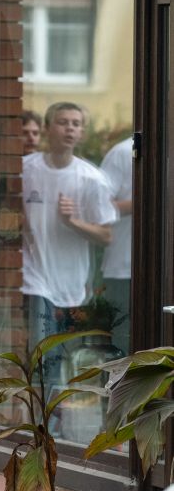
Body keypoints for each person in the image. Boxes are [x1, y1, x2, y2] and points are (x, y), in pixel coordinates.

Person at [20, 101, 116, 394]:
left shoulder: (91, 179)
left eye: (76, 124)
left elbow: (105, 235)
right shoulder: (26, 169)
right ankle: (42, 421)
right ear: (49, 128)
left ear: (82, 133)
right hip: (34, 278)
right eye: (63, 122)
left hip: (72, 285)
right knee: (43, 353)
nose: (70, 128)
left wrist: (72, 221)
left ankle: (57, 417)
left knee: (63, 357)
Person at [100, 135, 134, 354]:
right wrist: (145, 201)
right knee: (124, 346)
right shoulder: (122, 152)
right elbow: (99, 206)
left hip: (165, 269)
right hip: (123, 268)